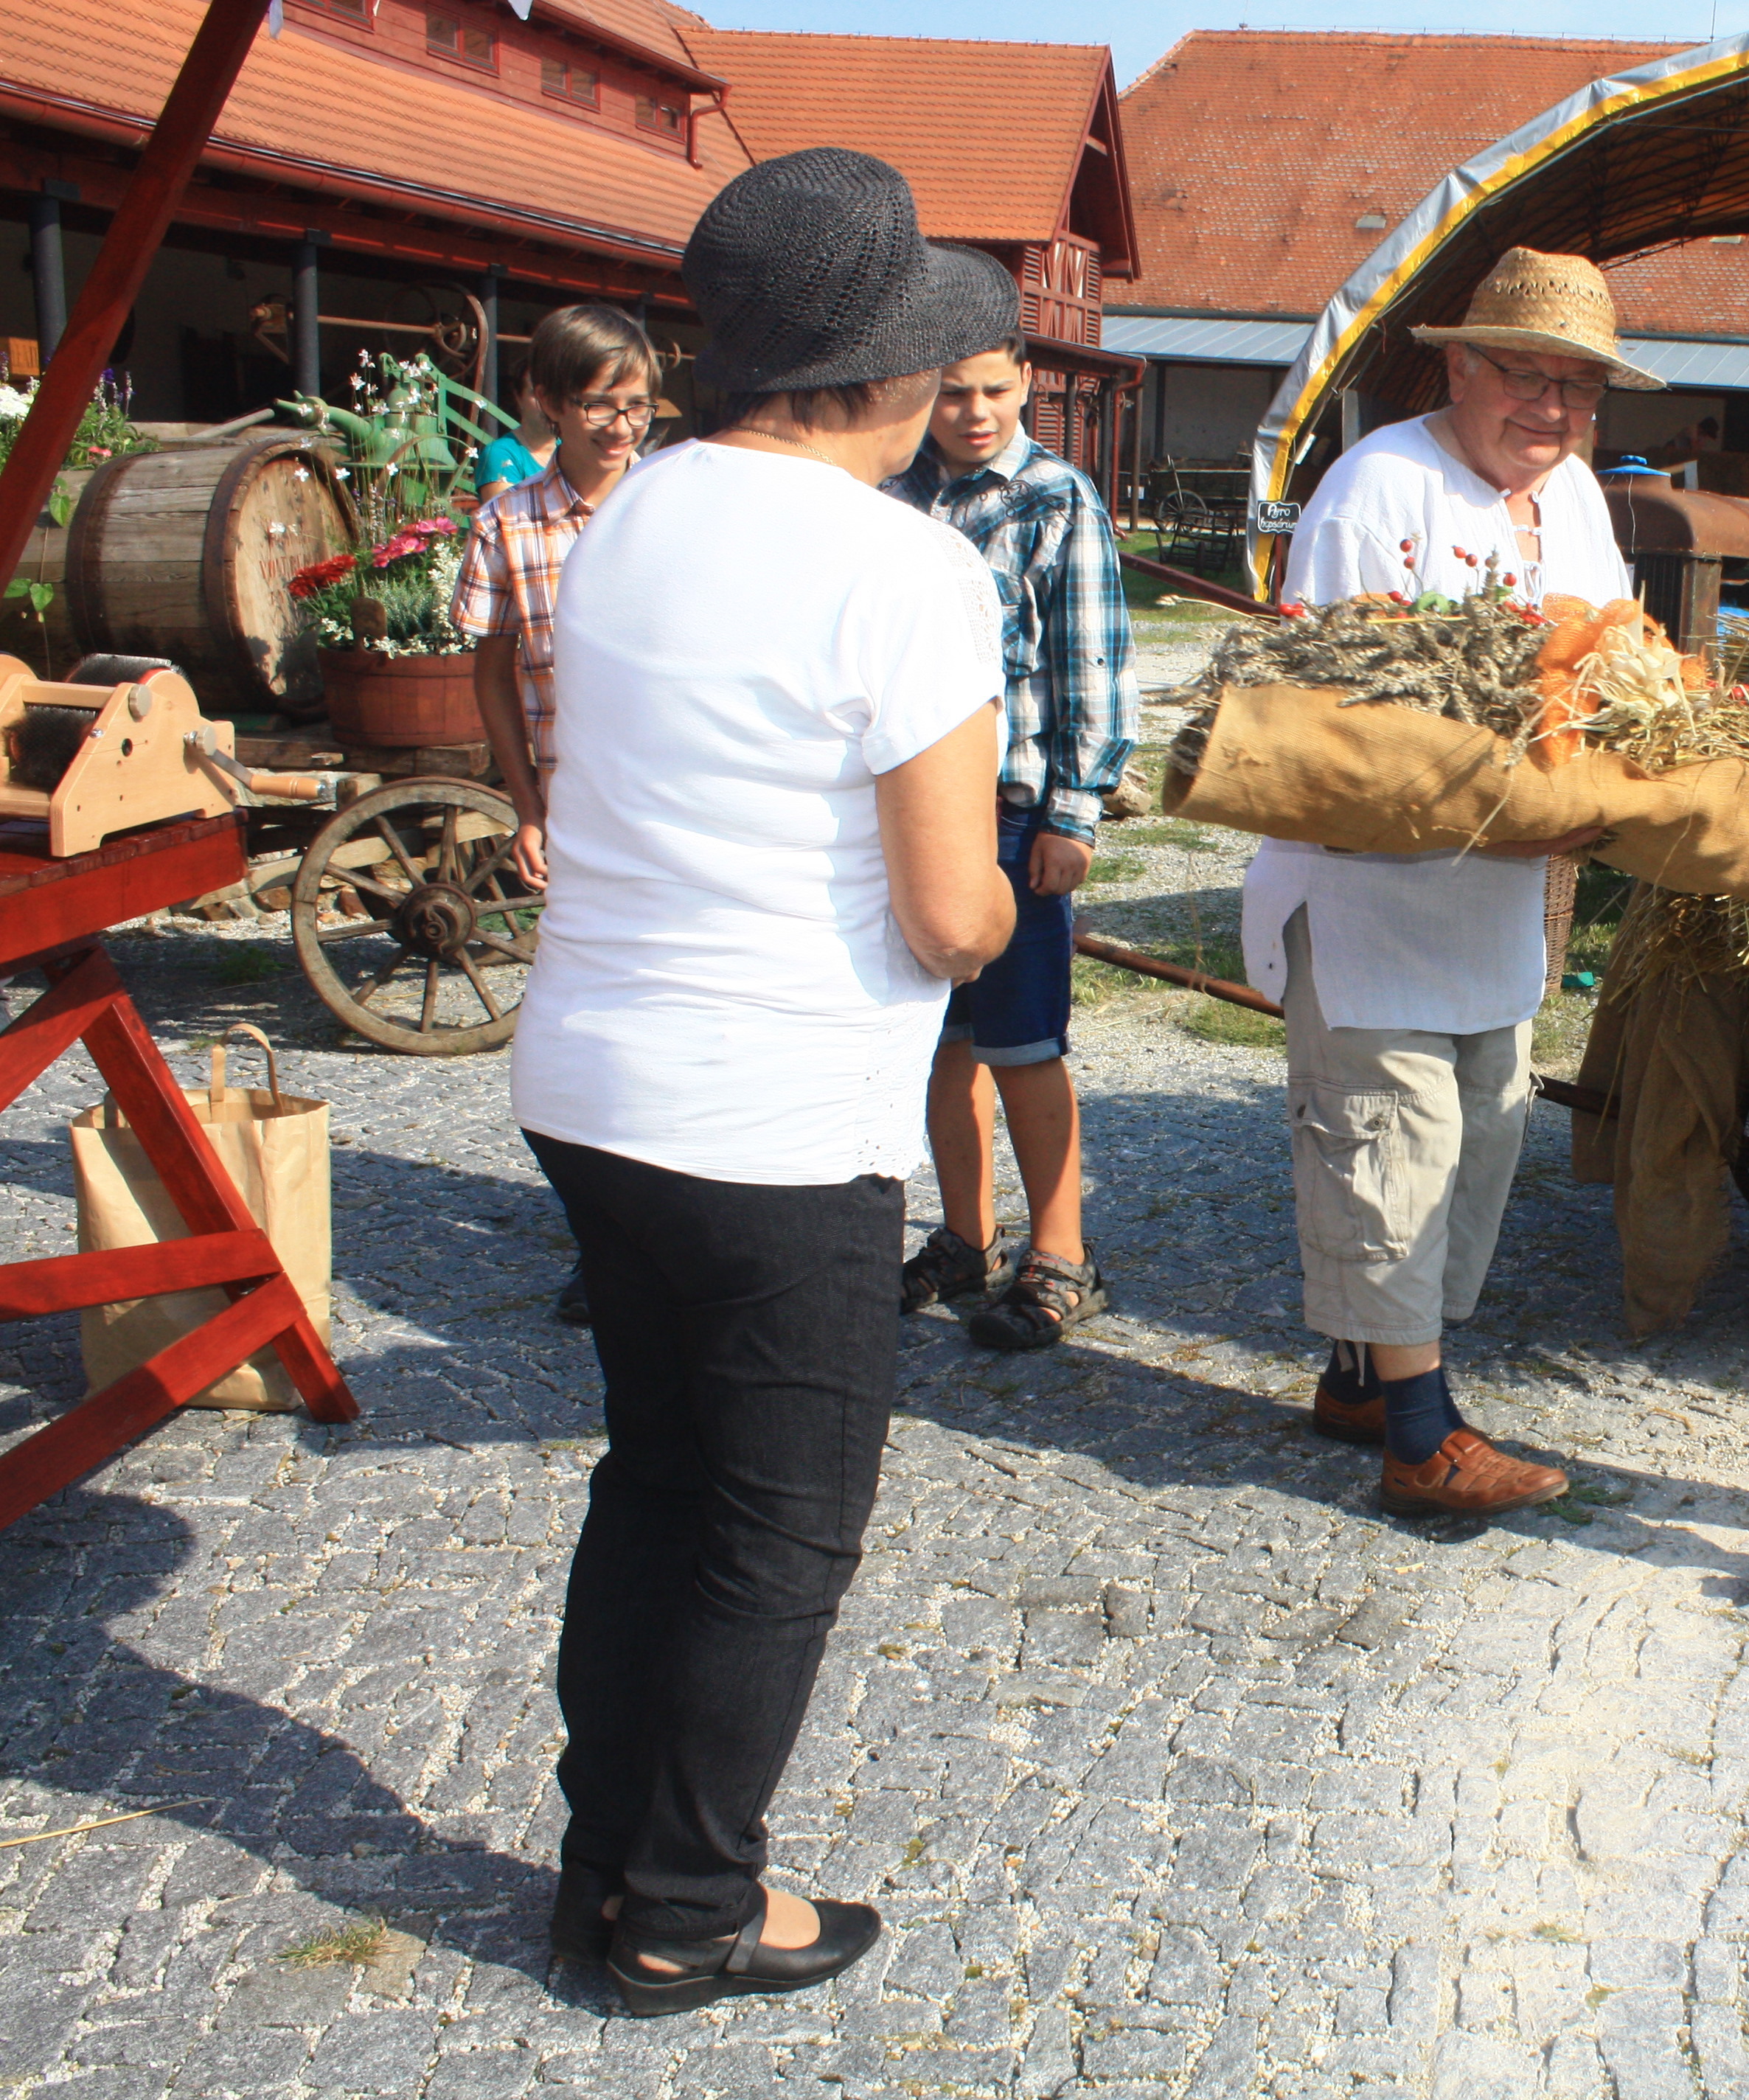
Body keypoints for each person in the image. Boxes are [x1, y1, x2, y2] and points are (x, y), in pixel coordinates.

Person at [508, 147, 1020, 2016]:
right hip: (771, 1118)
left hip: (590, 1078)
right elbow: (954, 908)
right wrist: (1009, 896)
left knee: (656, 1473)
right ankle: (686, 1908)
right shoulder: (906, 563)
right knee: (779, 1524)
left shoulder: (636, 506)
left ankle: (604, 1859)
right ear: (888, 374)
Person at [1245, 247, 1659, 1519]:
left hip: (1496, 901)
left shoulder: (1578, 493)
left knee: (1481, 1134)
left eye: (1578, 388)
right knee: (1392, 1148)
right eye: (1525, 376)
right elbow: (1328, 716)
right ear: (1458, 362)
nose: (1552, 409)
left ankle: (1364, 1380)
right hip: (1374, 896)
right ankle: (1421, 1438)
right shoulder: (1380, 489)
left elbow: (1608, 664)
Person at [886, 341, 1136, 1348]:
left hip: (1014, 809)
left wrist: (1075, 812)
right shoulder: (893, 491)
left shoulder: (1056, 496)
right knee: (943, 1042)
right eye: (949, 392)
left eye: (993, 390)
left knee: (1023, 1042)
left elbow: (1095, 662)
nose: (974, 411)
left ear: (1027, 382)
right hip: (913, 805)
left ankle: (1063, 1253)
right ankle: (965, 1237)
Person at [453, 302, 660, 1328]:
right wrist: (524, 802)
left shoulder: (674, 508)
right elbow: (491, 675)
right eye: (598, 407)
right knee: (585, 1039)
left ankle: (681, 1236)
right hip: (575, 810)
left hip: (675, 815)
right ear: (545, 402)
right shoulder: (510, 520)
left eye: (638, 406)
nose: (622, 428)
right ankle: (609, 1245)